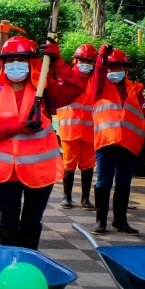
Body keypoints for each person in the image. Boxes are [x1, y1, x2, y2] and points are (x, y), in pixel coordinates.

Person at [0, 37, 83, 250]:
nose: (15, 64)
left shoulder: (44, 91)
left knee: (32, 221)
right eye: (10, 60)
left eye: (21, 59)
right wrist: (16, 127)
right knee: (7, 220)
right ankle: (9, 266)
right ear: (3, 64)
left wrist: (59, 62)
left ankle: (28, 265)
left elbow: (75, 88)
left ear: (32, 62)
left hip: (39, 172)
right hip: (6, 172)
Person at [90, 46, 145, 235]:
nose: (114, 71)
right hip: (107, 142)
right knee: (104, 182)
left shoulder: (135, 88)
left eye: (119, 67)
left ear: (126, 69)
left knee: (124, 183)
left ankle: (120, 221)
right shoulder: (99, 86)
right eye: (111, 67)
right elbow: (99, 72)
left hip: (130, 144)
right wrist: (101, 57)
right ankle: (100, 221)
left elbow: (143, 115)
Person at [56, 44, 97, 210]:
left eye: (89, 61)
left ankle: (85, 199)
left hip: (90, 130)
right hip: (70, 129)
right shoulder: (67, 78)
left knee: (88, 164)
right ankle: (67, 197)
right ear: (75, 60)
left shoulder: (96, 81)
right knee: (69, 164)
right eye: (82, 60)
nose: (85, 63)